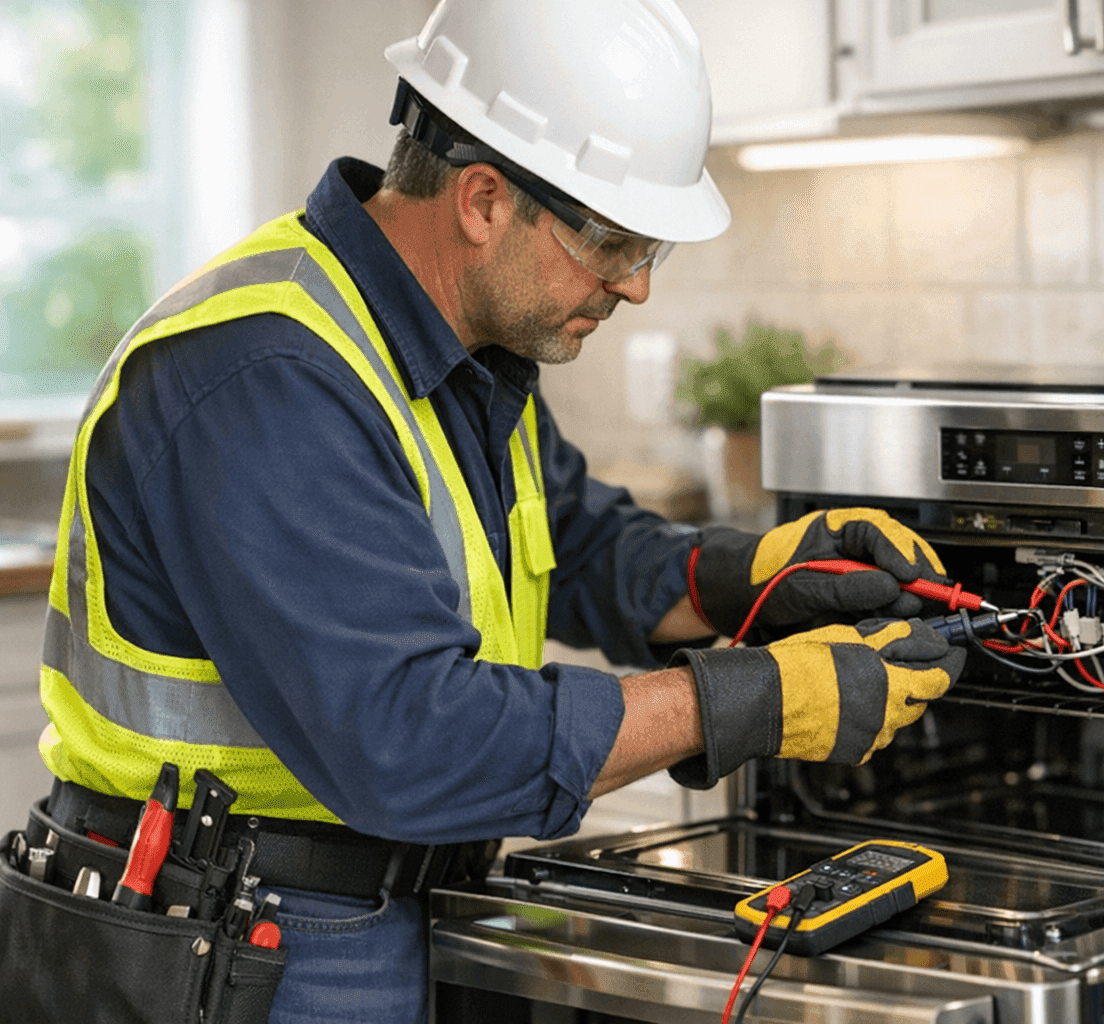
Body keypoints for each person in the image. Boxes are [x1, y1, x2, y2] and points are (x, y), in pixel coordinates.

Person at [21, 1, 966, 1021]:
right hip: (240, 936)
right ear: (482, 200)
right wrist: (745, 699)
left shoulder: (462, 349)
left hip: (372, 908)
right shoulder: (268, 375)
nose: (635, 288)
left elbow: (575, 543)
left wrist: (754, 577)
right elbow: (408, 739)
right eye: (614, 243)